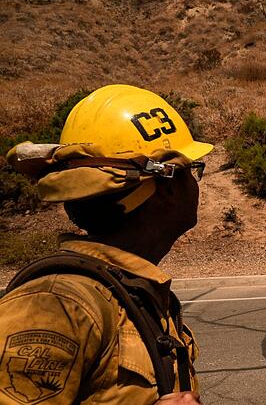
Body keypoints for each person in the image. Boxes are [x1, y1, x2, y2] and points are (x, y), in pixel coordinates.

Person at [1, 84, 212, 404]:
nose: (195, 185)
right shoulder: (55, 306)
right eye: (191, 170)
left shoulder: (135, 294)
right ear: (166, 188)